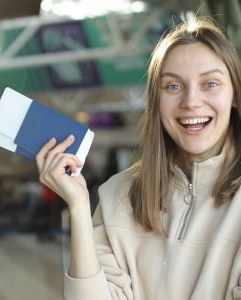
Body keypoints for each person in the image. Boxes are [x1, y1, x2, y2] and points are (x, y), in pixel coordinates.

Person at [36, 17, 241, 300]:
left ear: (235, 95)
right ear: (156, 100)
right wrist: (79, 207)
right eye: (173, 86)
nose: (191, 101)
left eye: (210, 84)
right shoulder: (116, 195)